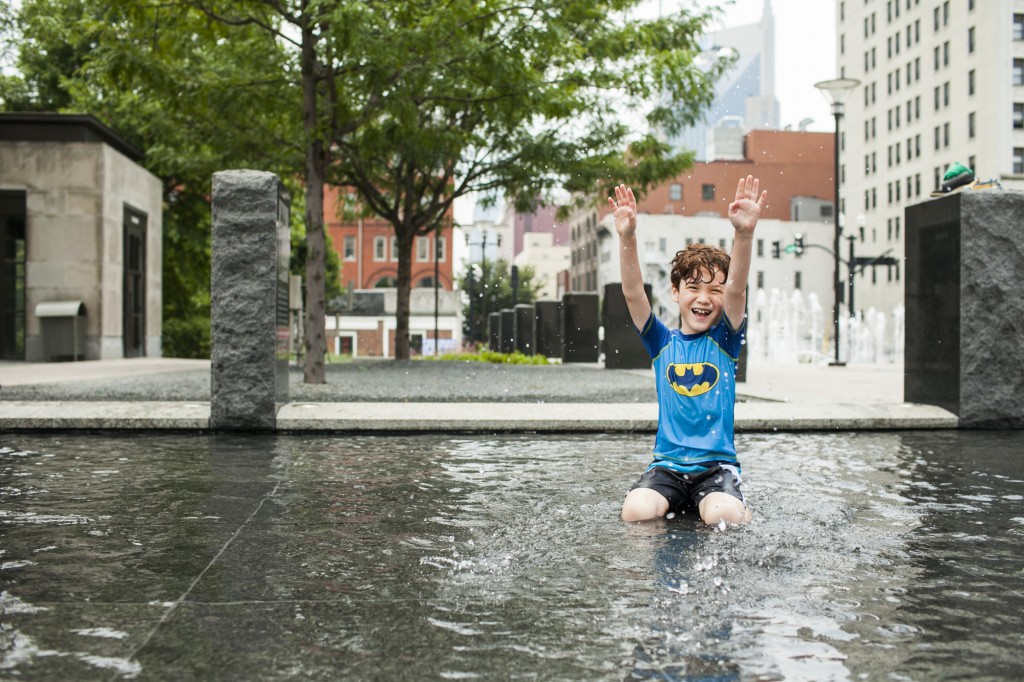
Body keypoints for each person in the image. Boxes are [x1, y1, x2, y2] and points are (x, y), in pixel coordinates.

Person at [610, 175, 767, 525]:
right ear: (675, 293)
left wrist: (743, 234)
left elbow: (738, 288)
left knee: (723, 516)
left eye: (715, 290)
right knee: (635, 510)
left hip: (715, 468)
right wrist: (627, 237)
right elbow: (634, 294)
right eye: (693, 287)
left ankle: (735, 504)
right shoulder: (660, 342)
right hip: (666, 467)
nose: (704, 298)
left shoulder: (725, 341)